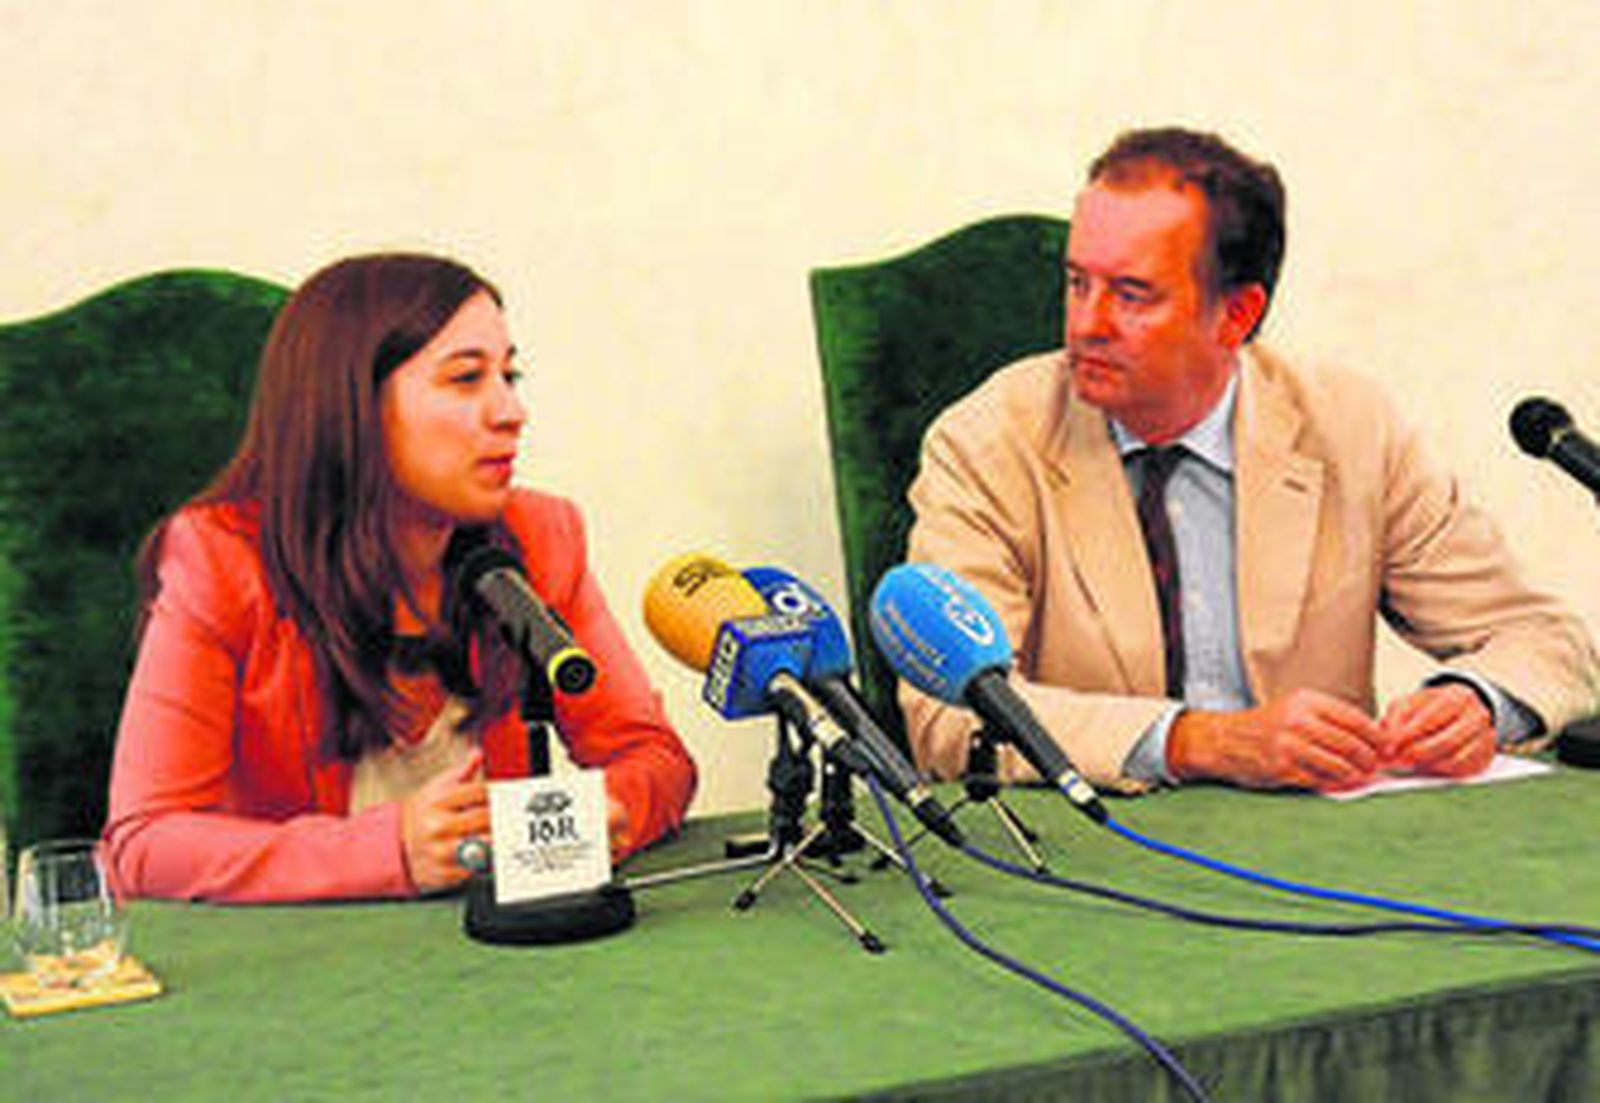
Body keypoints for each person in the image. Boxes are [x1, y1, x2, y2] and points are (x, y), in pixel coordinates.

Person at [903, 126, 1598, 793]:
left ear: (1236, 316)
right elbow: (948, 715)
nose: (1087, 323)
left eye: (1131, 294)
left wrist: (1475, 700)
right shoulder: (986, 443)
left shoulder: (1350, 427)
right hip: (1099, 858)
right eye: (1078, 283)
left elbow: (1544, 640)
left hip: (1329, 852)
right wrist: (1198, 740)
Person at [105, 253, 697, 902]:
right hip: (298, 970)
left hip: (495, 960)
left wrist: (606, 813)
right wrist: (387, 851)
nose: (511, 410)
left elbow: (654, 757)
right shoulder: (221, 561)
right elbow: (144, 842)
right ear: (351, 404)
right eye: (468, 378)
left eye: (510, 374)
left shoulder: (540, 539)